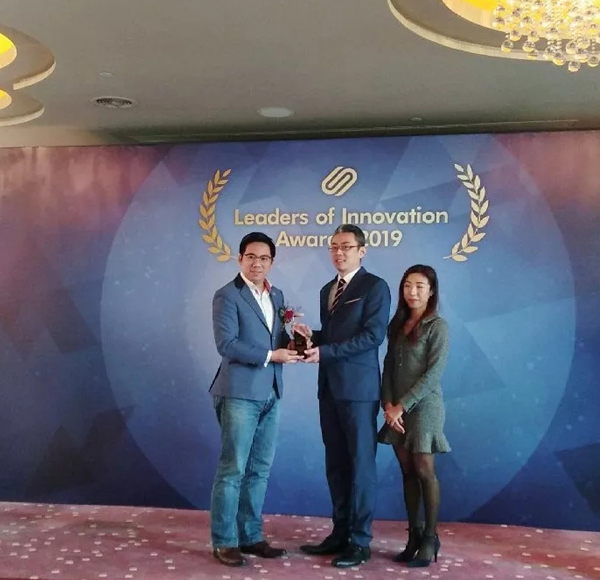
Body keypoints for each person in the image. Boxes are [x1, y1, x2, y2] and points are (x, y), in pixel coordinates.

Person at [297, 224, 391, 568]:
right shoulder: (328, 289)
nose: (339, 252)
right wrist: (312, 338)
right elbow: (334, 336)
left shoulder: (375, 286)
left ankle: (360, 541)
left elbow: (372, 337)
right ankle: (340, 533)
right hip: (329, 389)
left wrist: (325, 352)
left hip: (359, 391)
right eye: (334, 246)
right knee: (336, 464)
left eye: (346, 247)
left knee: (361, 466)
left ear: (362, 251)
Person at [209, 232, 301, 567]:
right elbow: (227, 344)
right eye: (251, 257)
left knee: (259, 470)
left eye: (264, 258)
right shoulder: (227, 295)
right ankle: (224, 541)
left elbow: (276, 338)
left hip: (271, 392)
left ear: (271, 262)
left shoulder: (276, 294)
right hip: (238, 393)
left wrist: (295, 340)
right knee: (232, 469)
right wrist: (271, 355)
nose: (257, 263)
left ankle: (250, 536)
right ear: (240, 259)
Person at [378, 264, 450, 568]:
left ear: (431, 291)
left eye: (420, 286)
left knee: (424, 470)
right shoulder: (397, 324)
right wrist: (387, 405)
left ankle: (431, 538)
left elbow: (434, 374)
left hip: (424, 408)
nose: (413, 292)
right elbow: (387, 367)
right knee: (407, 472)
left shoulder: (437, 326)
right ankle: (414, 536)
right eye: (408, 285)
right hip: (395, 409)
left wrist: (402, 405)